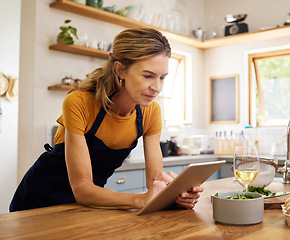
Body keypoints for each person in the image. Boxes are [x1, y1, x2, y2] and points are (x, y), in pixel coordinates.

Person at [10, 28, 203, 212]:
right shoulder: (79, 102)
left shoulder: (151, 112)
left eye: (162, 77)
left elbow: (154, 182)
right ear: (120, 70)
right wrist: (140, 199)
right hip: (37, 201)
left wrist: (174, 194)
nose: (157, 87)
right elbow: (83, 189)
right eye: (148, 76)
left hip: (88, 207)